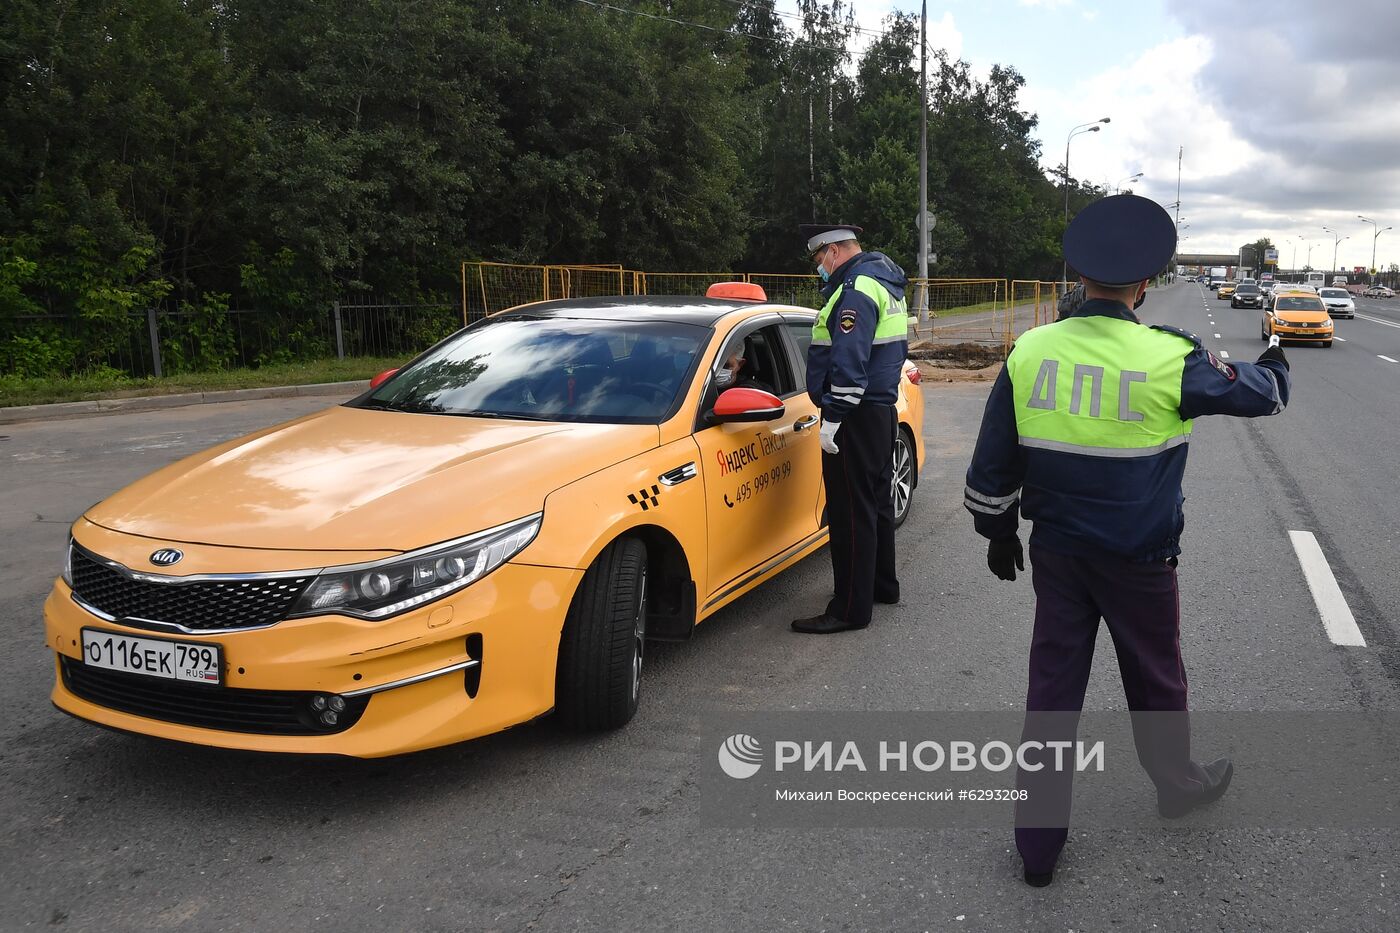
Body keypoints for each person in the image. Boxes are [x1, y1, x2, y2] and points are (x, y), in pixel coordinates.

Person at [963, 194, 1291, 887]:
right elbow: (1257, 395)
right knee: (1156, 679)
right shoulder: (1168, 356)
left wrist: (997, 530)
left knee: (1051, 693)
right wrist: (1277, 364)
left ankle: (1037, 849)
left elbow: (992, 463)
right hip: (1140, 560)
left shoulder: (1031, 350)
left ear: (1080, 279)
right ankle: (1177, 786)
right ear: (1144, 286)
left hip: (1057, 554)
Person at [791, 223, 910, 635]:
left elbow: (849, 359)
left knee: (848, 514)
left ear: (835, 250)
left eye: (820, 259)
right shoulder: (885, 280)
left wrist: (835, 417)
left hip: (854, 418)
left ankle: (849, 609)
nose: (819, 268)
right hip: (880, 411)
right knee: (875, 505)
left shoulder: (856, 288)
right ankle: (882, 586)